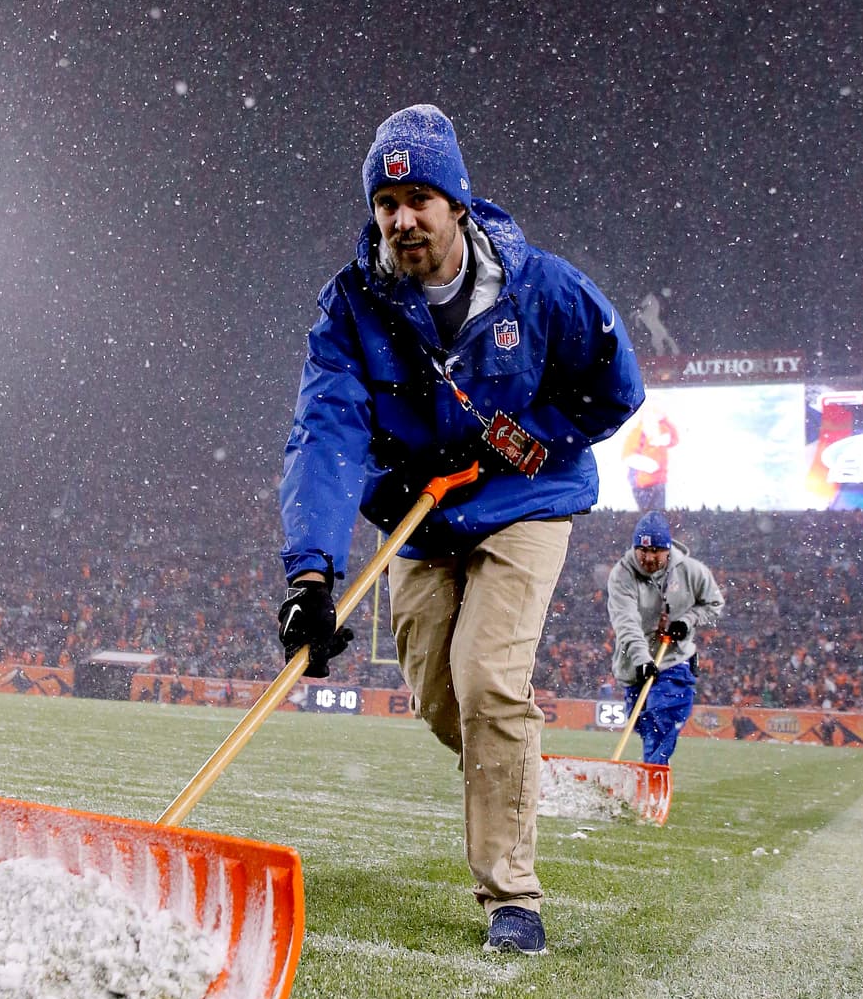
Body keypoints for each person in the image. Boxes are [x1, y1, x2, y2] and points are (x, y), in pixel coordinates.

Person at [277, 103, 644, 953]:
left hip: (525, 501)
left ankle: (512, 897)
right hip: (421, 517)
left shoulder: (542, 287)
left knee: (486, 683)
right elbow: (324, 433)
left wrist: (536, 436)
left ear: (457, 204)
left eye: (420, 197)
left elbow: (616, 387)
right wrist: (311, 576)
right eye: (386, 202)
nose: (402, 217)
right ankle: (505, 759)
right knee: (445, 706)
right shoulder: (350, 309)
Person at [606, 512, 724, 769]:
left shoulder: (693, 571)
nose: (648, 558)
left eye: (656, 551)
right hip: (635, 661)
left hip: (675, 656)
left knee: (663, 715)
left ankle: (654, 773)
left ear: (668, 549)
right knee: (643, 722)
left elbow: (714, 605)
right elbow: (626, 622)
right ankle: (654, 764)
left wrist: (688, 620)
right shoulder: (621, 575)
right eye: (643, 550)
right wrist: (642, 659)